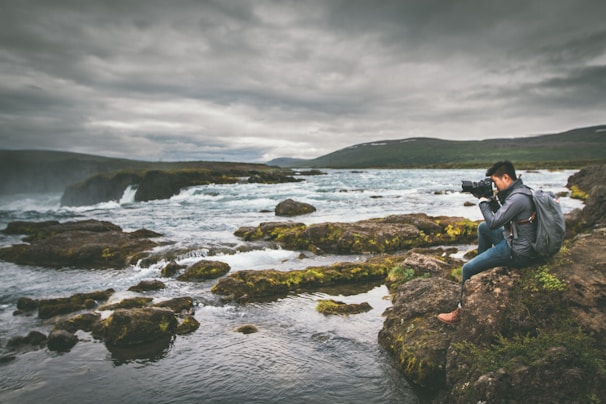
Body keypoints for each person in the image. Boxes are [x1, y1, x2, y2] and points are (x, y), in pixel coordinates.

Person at [438, 160, 537, 325]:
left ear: (506, 177)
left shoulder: (517, 198)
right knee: (483, 228)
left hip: (518, 251)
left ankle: (460, 312)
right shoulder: (521, 191)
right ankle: (481, 269)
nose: (494, 186)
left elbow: (494, 222)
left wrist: (483, 201)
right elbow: (501, 218)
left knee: (467, 268)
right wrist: (492, 199)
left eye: (495, 182)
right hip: (516, 238)